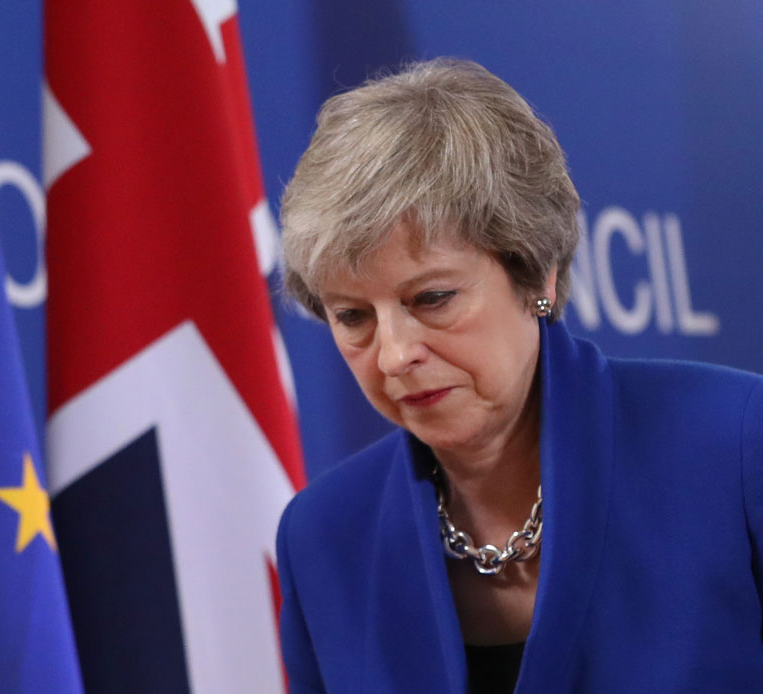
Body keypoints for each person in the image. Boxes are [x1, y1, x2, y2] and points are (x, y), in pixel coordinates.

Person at [275, 58, 763, 693]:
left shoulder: (735, 447)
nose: (394, 355)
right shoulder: (323, 537)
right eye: (352, 316)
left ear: (537, 275)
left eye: (432, 299)